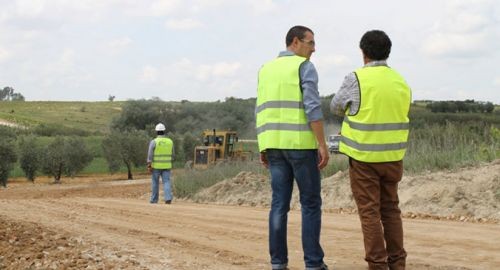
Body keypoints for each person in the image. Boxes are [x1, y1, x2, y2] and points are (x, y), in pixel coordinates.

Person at [330, 30, 411, 270]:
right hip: (393, 158)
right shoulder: (400, 80)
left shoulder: (356, 78)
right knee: (391, 210)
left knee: (369, 213)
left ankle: (377, 265)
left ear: (363, 53)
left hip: (364, 158)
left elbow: (336, 107)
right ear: (388, 52)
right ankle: (398, 263)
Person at [256, 25, 329, 270]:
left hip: (274, 147)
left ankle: (278, 263)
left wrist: (263, 146)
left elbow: (261, 110)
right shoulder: (304, 66)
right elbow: (313, 108)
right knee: (310, 204)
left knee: (279, 204)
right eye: (311, 43)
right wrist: (322, 144)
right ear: (295, 42)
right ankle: (313, 264)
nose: (314, 49)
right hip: (300, 146)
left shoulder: (265, 70)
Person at [147, 123, 174, 204]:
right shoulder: (170, 141)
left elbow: (150, 155)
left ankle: (154, 200)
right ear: (164, 131)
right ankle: (168, 198)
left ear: (156, 131)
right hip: (167, 166)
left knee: (155, 182)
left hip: (156, 167)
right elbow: (173, 154)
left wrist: (149, 164)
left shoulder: (154, 142)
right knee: (166, 182)